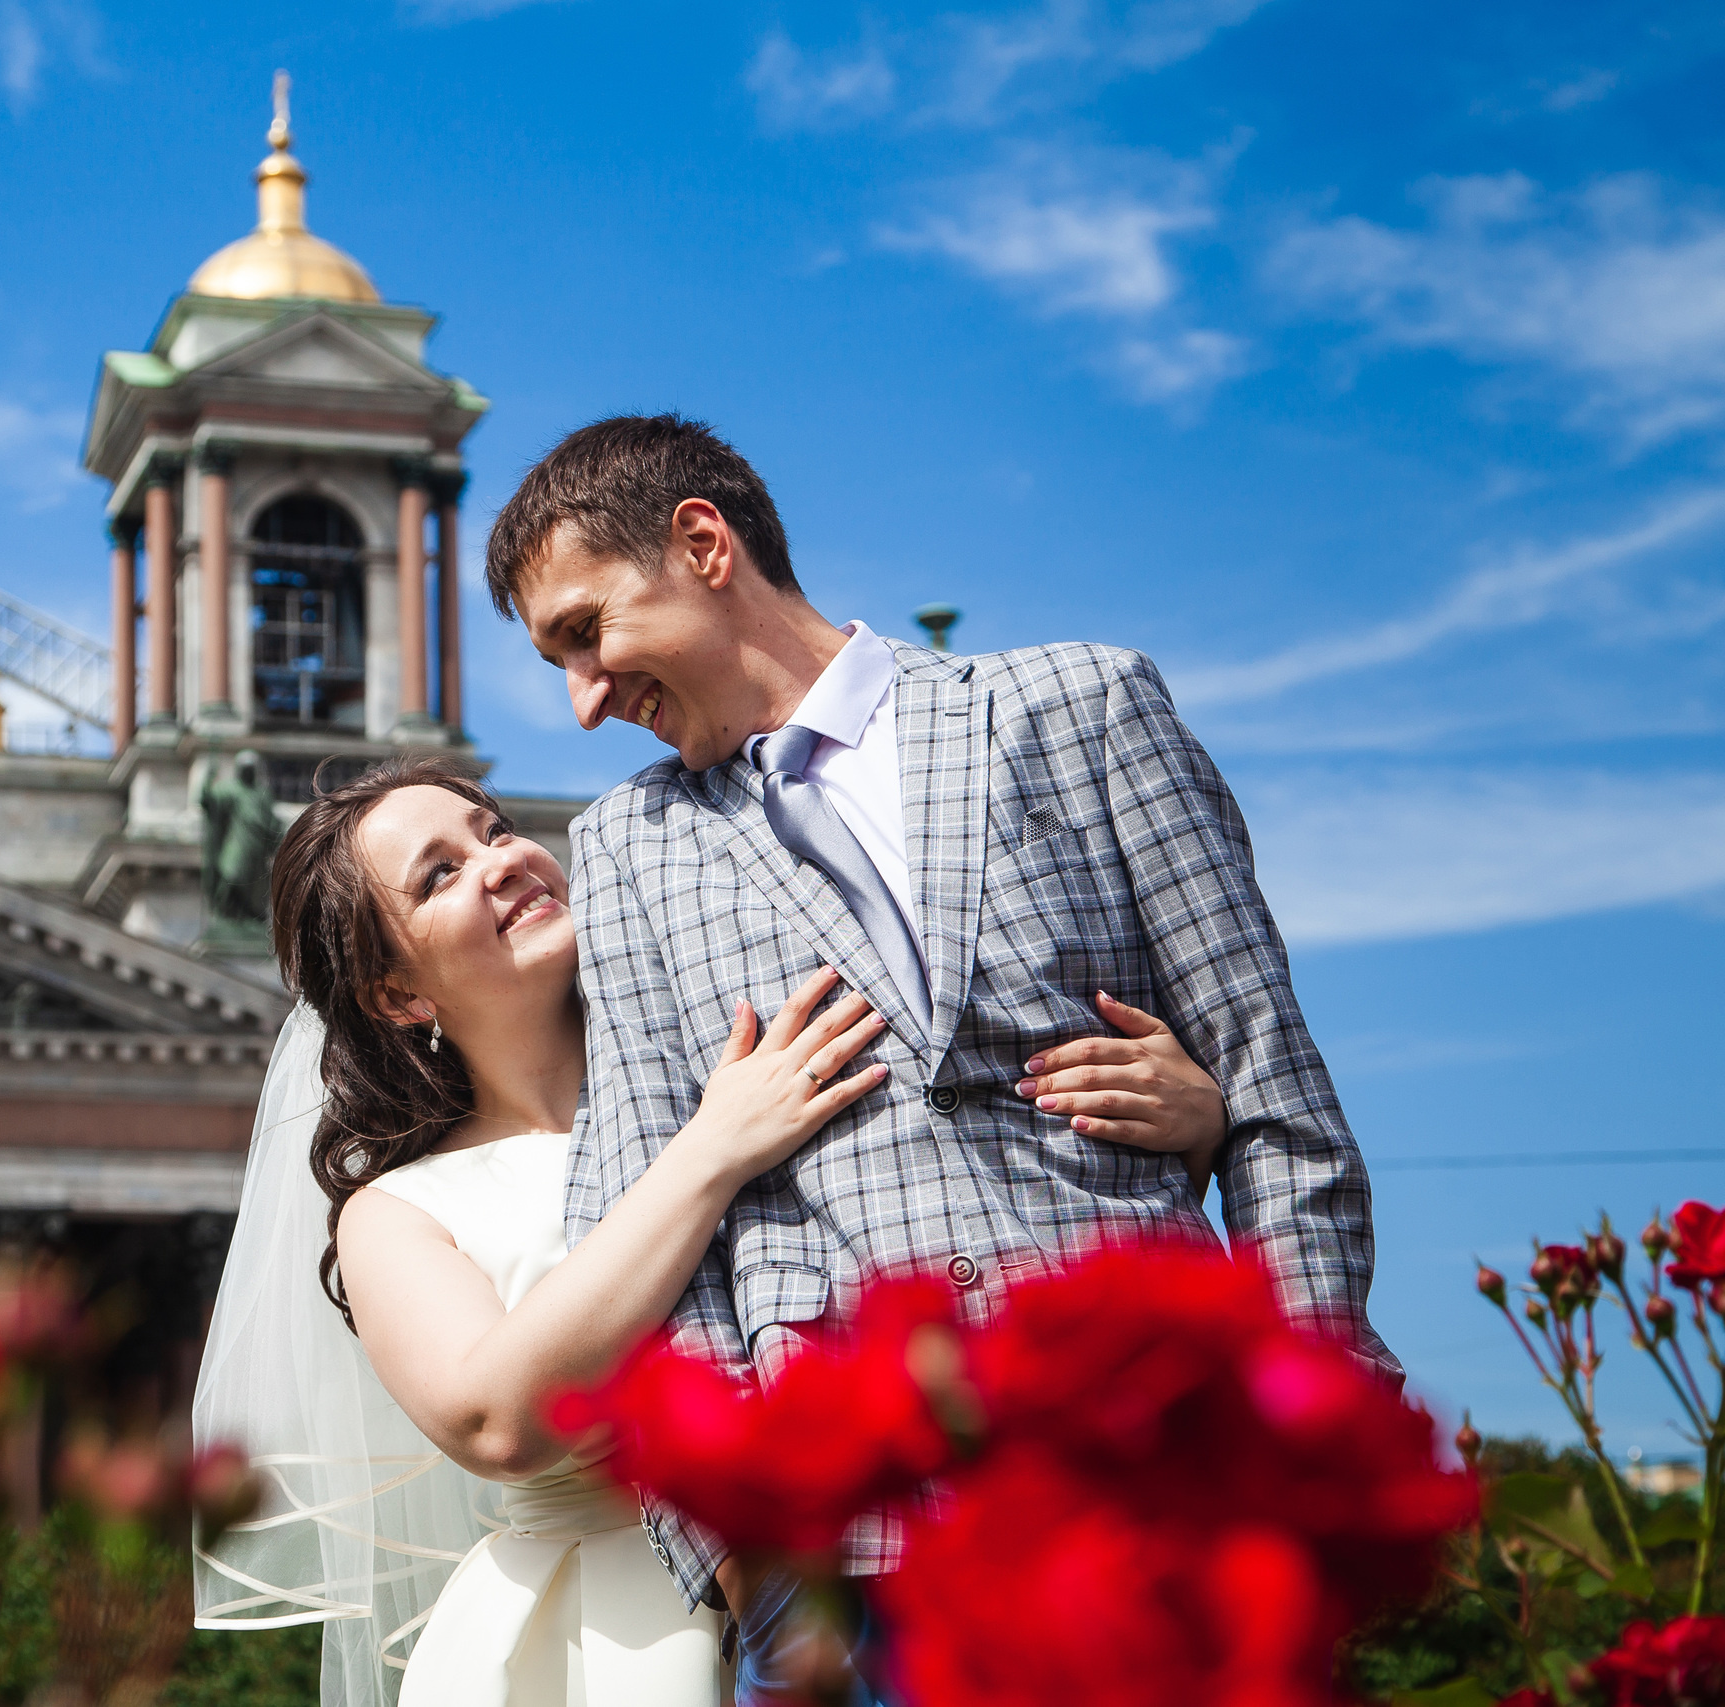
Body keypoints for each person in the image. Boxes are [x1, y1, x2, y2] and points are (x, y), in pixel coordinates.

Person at [482, 413, 1395, 1702]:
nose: (583, 701)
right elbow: (635, 1203)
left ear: (702, 546)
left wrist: (1295, 1445)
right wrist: (748, 1558)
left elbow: (1277, 1108)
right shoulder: (629, 844)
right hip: (851, 1569)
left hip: (1149, 1493)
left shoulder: (1077, 709)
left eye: (586, 632)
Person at [190, 756, 1216, 1707]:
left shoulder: (745, 1058)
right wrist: (711, 1150)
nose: (501, 860)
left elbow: (959, 1171)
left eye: (493, 830)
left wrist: (1194, 1120)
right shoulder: (399, 1211)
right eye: (440, 874)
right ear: (397, 993)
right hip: (596, 1643)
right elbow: (495, 1420)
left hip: (878, 1589)